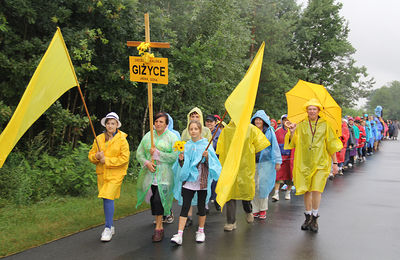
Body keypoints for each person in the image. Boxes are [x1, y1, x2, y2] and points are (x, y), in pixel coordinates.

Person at [285, 99, 342, 232]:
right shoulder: (301, 124)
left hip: (321, 162)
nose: (311, 111)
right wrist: (293, 131)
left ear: (318, 111)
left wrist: (335, 163)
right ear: (306, 110)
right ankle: (307, 216)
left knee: (317, 189)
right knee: (307, 190)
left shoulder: (326, 125)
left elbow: (331, 144)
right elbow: (294, 142)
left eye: (314, 109)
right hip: (304, 162)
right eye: (309, 109)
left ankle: (315, 217)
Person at [170, 121, 221, 245]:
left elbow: (214, 164)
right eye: (191, 129)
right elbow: (181, 165)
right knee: (185, 206)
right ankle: (179, 234)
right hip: (188, 181)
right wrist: (181, 160)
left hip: (201, 181)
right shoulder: (186, 145)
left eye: (195, 129)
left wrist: (207, 157)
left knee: (201, 206)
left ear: (200, 130)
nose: (193, 131)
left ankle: (201, 231)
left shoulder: (206, 145)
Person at [216, 120, 270, 231]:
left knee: (245, 192)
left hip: (245, 166)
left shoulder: (250, 129)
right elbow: (220, 148)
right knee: (229, 192)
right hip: (230, 166)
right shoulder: (226, 130)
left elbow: (261, 144)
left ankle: (248, 210)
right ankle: (231, 221)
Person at [136, 112, 179, 242]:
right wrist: (147, 162)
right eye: (156, 121)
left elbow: (174, 156)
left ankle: (159, 228)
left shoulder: (172, 137)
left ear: (166, 124)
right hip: (150, 174)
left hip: (165, 175)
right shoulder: (148, 136)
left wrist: (159, 155)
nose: (158, 124)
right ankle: (159, 220)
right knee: (153, 201)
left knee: (158, 200)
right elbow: (139, 153)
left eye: (161, 121)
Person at [88, 112, 130, 242]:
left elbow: (124, 158)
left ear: (117, 125)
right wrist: (96, 157)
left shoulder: (122, 140)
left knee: (107, 196)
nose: (110, 125)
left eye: (113, 123)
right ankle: (111, 225)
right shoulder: (99, 138)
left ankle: (107, 228)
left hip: (116, 174)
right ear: (105, 124)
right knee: (106, 199)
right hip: (102, 174)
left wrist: (106, 160)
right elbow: (91, 155)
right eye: (108, 123)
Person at [250, 110, 281, 219]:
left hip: (266, 162)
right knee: (253, 186)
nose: (258, 121)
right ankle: (254, 209)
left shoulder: (269, 131)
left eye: (260, 119)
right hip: (252, 162)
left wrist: (278, 161)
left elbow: (275, 146)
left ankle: (262, 209)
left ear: (264, 121)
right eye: (256, 119)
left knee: (263, 186)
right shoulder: (250, 131)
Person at [273, 114, 295, 200]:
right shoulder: (277, 131)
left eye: (288, 120)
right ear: (282, 121)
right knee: (278, 175)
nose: (286, 121)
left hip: (291, 156)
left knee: (290, 175)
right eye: (284, 120)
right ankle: (276, 193)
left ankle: (288, 193)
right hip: (281, 156)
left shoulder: (294, 131)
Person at [205, 114, 222, 211]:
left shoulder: (219, 133)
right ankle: (205, 204)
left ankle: (216, 199)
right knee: (205, 182)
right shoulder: (202, 131)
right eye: (207, 121)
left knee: (215, 182)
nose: (209, 123)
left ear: (215, 123)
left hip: (216, 160)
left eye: (211, 122)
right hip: (205, 161)